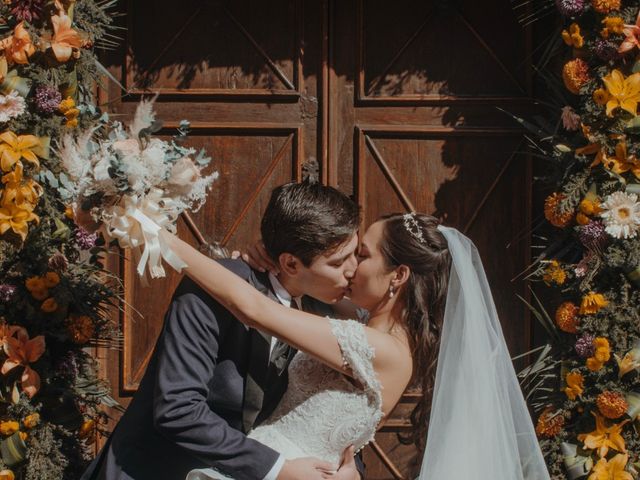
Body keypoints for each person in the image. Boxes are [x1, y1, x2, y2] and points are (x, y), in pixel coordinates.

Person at [161, 212, 551, 480]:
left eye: (362, 255)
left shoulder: (378, 349)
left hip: (286, 471)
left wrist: (156, 236)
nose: (349, 264)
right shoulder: (368, 328)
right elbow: (308, 283)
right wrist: (279, 261)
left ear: (397, 276)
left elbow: (254, 308)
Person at [80, 182, 365, 480]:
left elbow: (341, 409)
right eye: (339, 262)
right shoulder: (214, 289)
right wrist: (278, 470)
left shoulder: (327, 311)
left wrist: (350, 470)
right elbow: (178, 410)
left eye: (356, 253)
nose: (353, 269)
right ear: (290, 263)